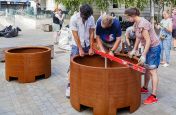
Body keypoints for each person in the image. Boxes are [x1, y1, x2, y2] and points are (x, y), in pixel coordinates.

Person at [124, 8, 161, 105]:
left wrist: (143, 54)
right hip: (147, 47)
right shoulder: (136, 23)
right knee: (146, 69)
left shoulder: (143, 24)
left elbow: (148, 40)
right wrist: (134, 49)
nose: (127, 19)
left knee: (152, 71)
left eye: (127, 17)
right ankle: (145, 88)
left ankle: (154, 96)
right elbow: (138, 38)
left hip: (154, 48)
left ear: (132, 16)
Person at [65, 4, 95, 98]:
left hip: (87, 44)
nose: (86, 18)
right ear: (81, 13)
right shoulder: (74, 18)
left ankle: (85, 85)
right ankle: (69, 86)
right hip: (76, 45)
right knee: (73, 65)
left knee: (87, 65)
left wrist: (91, 47)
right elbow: (75, 35)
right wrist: (80, 49)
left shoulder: (91, 18)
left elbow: (91, 33)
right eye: (85, 17)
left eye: (88, 17)